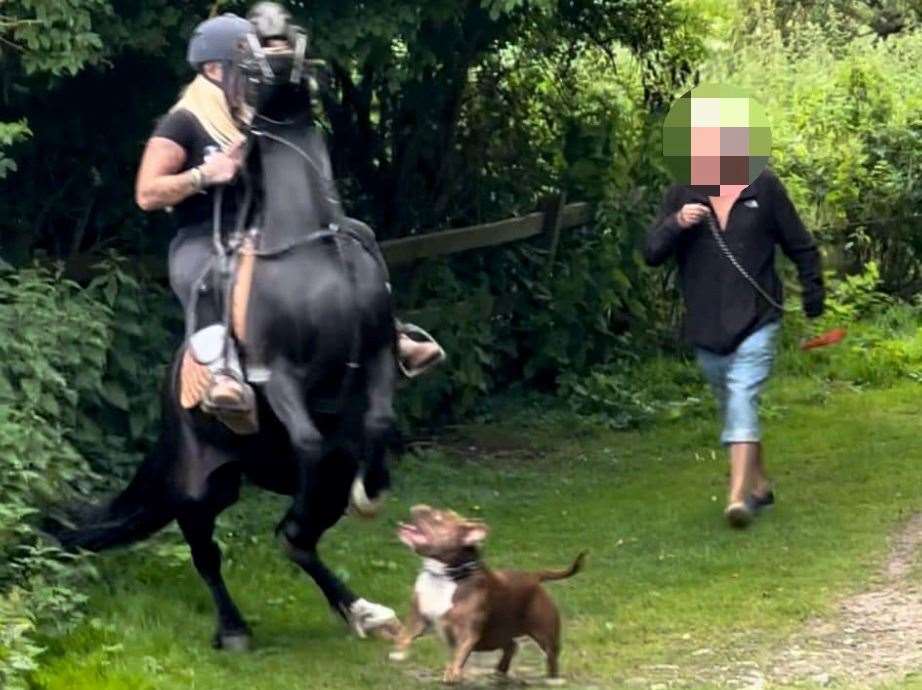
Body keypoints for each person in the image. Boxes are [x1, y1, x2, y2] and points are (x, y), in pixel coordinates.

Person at [135, 11, 443, 420]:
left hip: (265, 229)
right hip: (202, 237)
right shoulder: (183, 123)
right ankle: (223, 373)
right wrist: (204, 174)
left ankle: (393, 335)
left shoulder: (254, 121)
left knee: (359, 235)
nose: (251, 79)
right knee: (206, 277)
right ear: (213, 69)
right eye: (243, 69)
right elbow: (147, 193)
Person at [644, 84, 825, 528]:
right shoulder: (681, 193)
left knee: (742, 394)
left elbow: (801, 246)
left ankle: (737, 498)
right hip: (706, 326)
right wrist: (675, 225)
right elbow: (650, 252)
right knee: (731, 402)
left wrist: (813, 291)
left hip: (758, 319)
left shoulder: (764, 186)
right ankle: (760, 485)